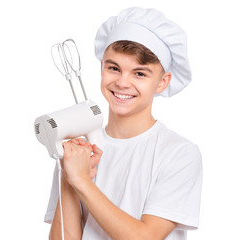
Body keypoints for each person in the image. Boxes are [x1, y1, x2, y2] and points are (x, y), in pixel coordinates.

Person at [45, 7, 203, 240]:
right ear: (102, 68)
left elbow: (145, 237)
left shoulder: (178, 154)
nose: (122, 82)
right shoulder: (79, 152)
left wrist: (82, 181)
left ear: (162, 82)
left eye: (140, 73)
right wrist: (70, 179)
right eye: (114, 68)